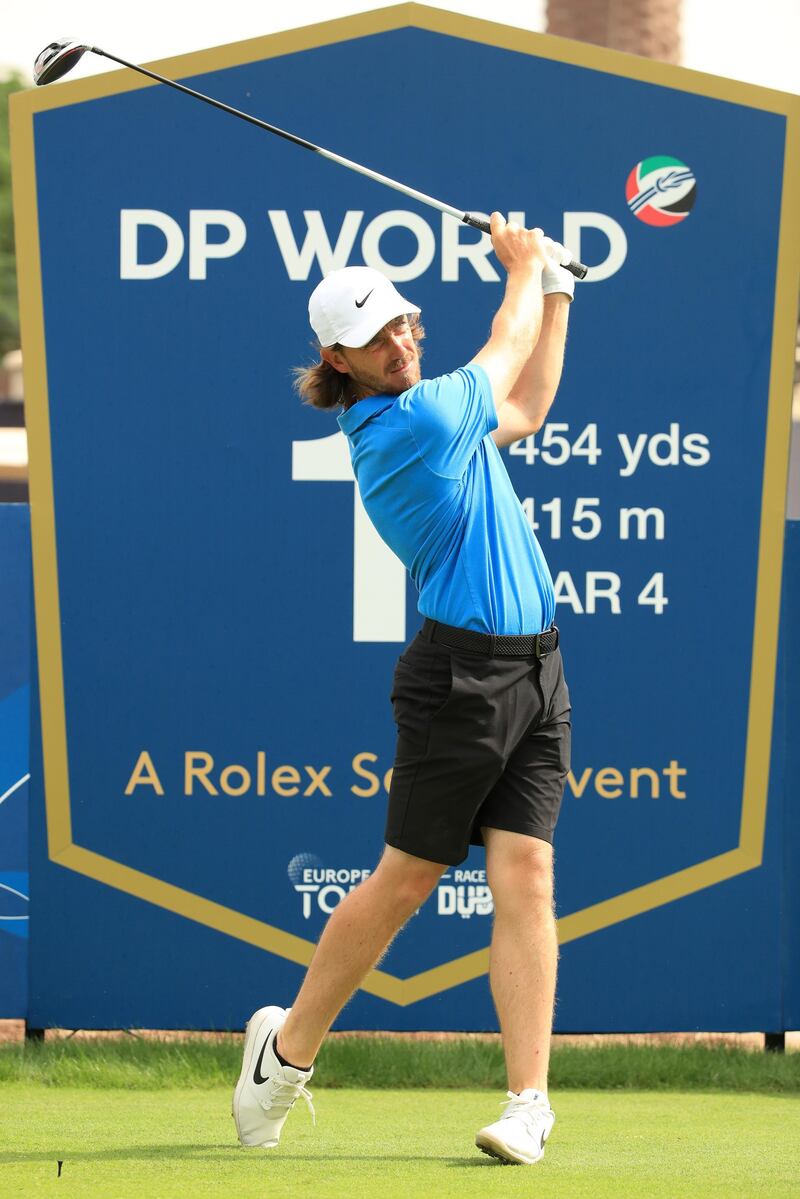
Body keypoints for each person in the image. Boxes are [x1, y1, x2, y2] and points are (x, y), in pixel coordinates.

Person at [232, 212, 574, 1166]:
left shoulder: (440, 411)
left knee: (528, 874)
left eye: (406, 324)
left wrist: (560, 292)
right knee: (407, 879)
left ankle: (527, 1102)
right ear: (340, 360)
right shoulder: (411, 423)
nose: (402, 343)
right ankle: (286, 1054)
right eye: (379, 339)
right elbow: (506, 351)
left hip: (538, 667)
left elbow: (532, 404)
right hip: (459, 675)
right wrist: (523, 268)